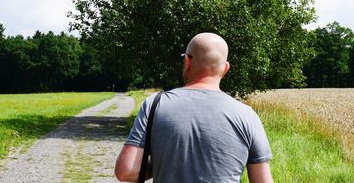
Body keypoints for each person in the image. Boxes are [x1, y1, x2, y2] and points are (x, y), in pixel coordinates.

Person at [115, 33, 273, 182]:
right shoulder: (247, 115)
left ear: (187, 62)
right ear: (225, 69)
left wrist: (161, 164)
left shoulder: (155, 104)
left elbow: (126, 171)